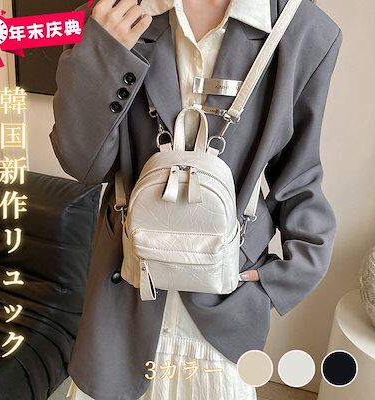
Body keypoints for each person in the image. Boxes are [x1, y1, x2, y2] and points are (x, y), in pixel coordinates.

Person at [49, 0, 343, 399]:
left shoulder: (303, 30)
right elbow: (83, 164)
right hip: (124, 291)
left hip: (224, 302)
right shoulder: (113, 14)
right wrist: (102, 55)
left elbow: (299, 174)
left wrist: (285, 278)